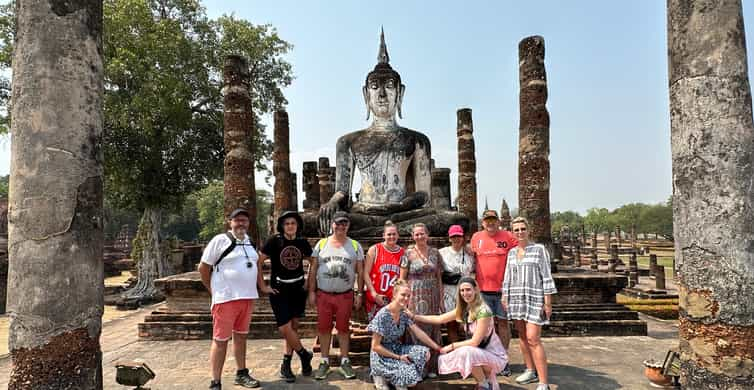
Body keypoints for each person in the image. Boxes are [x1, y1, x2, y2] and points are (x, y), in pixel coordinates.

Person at [198, 208, 261, 389]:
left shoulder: (250, 242)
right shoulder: (220, 240)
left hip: (247, 297)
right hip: (226, 298)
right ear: (230, 222)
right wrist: (213, 290)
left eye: (244, 220)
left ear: (248, 224)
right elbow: (203, 268)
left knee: (241, 337)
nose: (241, 223)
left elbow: (255, 266)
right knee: (220, 340)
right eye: (237, 220)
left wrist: (262, 287)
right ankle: (215, 381)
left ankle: (241, 373)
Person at [411, 277, 508, 390]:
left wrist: (451, 346)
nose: (465, 293)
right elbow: (440, 319)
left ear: (476, 290)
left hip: (495, 356)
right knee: (465, 353)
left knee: (466, 352)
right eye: (462, 290)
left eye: (468, 290)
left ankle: (484, 385)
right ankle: (485, 382)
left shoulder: (484, 311)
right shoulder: (465, 309)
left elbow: (474, 342)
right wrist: (414, 317)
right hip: (481, 353)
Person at [257, 211, 314, 382]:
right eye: (287, 223)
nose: (290, 226)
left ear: (297, 226)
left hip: (297, 289)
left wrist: (308, 283)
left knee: (293, 327)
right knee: (284, 327)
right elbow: (258, 261)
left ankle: (286, 364)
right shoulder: (275, 241)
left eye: (293, 223)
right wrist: (263, 286)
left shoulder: (301, 242)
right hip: (279, 290)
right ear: (282, 226)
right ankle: (304, 355)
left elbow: (313, 261)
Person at [307, 211, 365, 380]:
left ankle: (345, 361)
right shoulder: (322, 243)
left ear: (348, 226)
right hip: (324, 294)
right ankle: (324, 361)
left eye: (344, 224)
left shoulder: (355, 245)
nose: (340, 227)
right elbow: (313, 270)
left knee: (343, 328)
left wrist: (359, 293)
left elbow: (360, 272)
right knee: (323, 328)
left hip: (345, 294)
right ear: (332, 225)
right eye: (337, 224)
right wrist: (311, 291)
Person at [502, 217, 557, 390]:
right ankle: (530, 369)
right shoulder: (511, 253)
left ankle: (543, 382)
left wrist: (547, 303)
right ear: (512, 232)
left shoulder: (539, 250)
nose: (520, 232)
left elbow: (546, 277)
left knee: (534, 338)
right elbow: (507, 277)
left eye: (522, 229)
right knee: (523, 337)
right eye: (516, 230)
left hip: (534, 299)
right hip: (517, 299)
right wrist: (505, 297)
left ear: (528, 230)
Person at [367, 279, 442, 390]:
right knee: (409, 381)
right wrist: (399, 357)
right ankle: (380, 375)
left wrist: (438, 348)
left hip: (397, 349)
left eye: (408, 296)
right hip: (381, 355)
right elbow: (375, 346)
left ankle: (396, 377)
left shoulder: (403, 312)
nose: (406, 298)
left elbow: (419, 333)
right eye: (403, 295)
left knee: (424, 353)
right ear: (394, 294)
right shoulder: (382, 315)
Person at [470, 209, 517, 376]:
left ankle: (503, 360)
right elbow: (471, 260)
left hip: (503, 291)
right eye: (487, 220)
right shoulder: (477, 238)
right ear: (483, 222)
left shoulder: (508, 237)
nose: (490, 223)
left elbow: (520, 254)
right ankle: (486, 359)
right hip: (482, 291)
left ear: (498, 221)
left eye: (493, 220)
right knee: (484, 327)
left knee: (503, 324)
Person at [399, 222, 443, 377]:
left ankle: (431, 367)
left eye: (422, 233)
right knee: (415, 329)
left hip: (432, 295)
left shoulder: (435, 253)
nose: (419, 236)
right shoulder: (408, 253)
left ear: (427, 235)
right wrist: (402, 300)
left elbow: (438, 277)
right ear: (413, 236)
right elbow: (402, 279)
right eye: (416, 234)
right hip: (414, 296)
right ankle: (417, 366)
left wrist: (441, 299)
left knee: (432, 327)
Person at [438, 224, 476, 342]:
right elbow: (437, 274)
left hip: (466, 293)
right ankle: (455, 352)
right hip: (449, 292)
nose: (456, 239)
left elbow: (473, 272)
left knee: (466, 325)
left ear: (463, 237)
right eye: (453, 237)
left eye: (459, 236)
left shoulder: (470, 254)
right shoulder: (441, 253)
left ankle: (467, 352)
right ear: (449, 238)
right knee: (452, 325)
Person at [364, 221, 405, 321]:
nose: (392, 237)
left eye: (394, 234)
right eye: (389, 234)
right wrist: (374, 294)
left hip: (393, 300)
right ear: (383, 235)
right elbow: (365, 273)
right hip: (375, 298)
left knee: (392, 331)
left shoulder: (403, 253)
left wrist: (397, 298)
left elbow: (402, 279)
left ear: (398, 235)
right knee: (377, 331)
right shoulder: (374, 250)